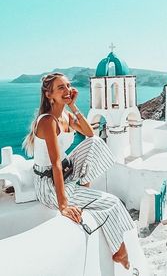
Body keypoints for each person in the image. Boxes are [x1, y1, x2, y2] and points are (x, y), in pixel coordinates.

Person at [23, 72, 135, 270]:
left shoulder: (65, 115)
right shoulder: (48, 121)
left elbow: (90, 134)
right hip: (48, 184)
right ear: (49, 95)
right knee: (112, 202)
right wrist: (63, 204)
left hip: (67, 172)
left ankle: (81, 186)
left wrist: (73, 106)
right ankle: (120, 251)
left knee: (96, 143)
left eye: (68, 85)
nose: (67, 90)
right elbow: (55, 163)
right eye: (60, 88)